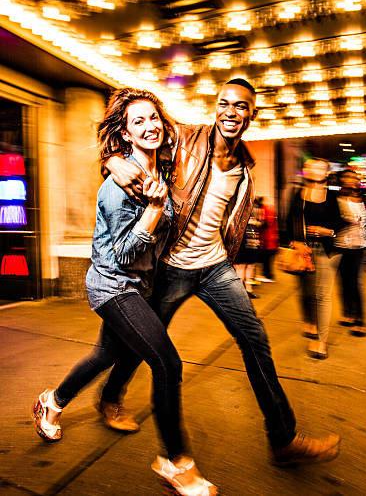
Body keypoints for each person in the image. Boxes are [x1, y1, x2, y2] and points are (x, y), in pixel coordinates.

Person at [105, 79, 340, 470]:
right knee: (144, 343)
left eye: (241, 106)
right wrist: (113, 160)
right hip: (172, 267)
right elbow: (129, 140)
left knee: (255, 339)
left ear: (252, 114)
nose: (231, 111)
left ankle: (283, 440)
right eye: (224, 103)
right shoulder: (182, 138)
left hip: (214, 267)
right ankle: (111, 396)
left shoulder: (245, 166)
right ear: (216, 108)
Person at [32, 88, 217, 495]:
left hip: (140, 286)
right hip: (114, 285)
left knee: (105, 354)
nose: (149, 126)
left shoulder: (160, 172)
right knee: (168, 364)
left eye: (154, 117)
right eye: (138, 122)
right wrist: (152, 210)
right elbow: (124, 253)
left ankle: (53, 401)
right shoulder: (118, 188)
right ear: (126, 135)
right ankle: (175, 461)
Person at [286, 158, 345, 359]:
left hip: (327, 251)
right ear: (306, 170)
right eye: (312, 167)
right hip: (305, 251)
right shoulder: (298, 194)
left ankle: (320, 341)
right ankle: (310, 321)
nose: (317, 170)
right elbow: (290, 219)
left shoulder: (333, 195)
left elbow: (341, 222)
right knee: (307, 292)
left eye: (321, 168)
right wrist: (295, 242)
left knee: (322, 296)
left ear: (326, 172)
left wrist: (327, 231)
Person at [335, 169, 366, 336]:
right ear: (341, 180)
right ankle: (347, 314)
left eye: (354, 178)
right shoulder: (335, 199)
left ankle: (360, 320)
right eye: (347, 177)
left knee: (355, 283)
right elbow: (331, 220)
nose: (351, 180)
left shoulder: (363, 199)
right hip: (340, 245)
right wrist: (344, 221)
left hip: (360, 246)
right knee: (343, 282)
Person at [234, 196, 263, 298]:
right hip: (243, 238)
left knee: (250, 265)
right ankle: (240, 291)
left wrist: (256, 222)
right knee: (242, 266)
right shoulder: (239, 205)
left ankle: (248, 289)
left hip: (252, 238)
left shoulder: (255, 206)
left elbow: (260, 222)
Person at [258, 196, 279, 282]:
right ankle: (268, 275)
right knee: (268, 258)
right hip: (272, 237)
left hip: (267, 238)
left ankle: (268, 276)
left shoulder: (265, 208)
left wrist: (258, 224)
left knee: (266, 258)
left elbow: (267, 222)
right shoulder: (271, 208)